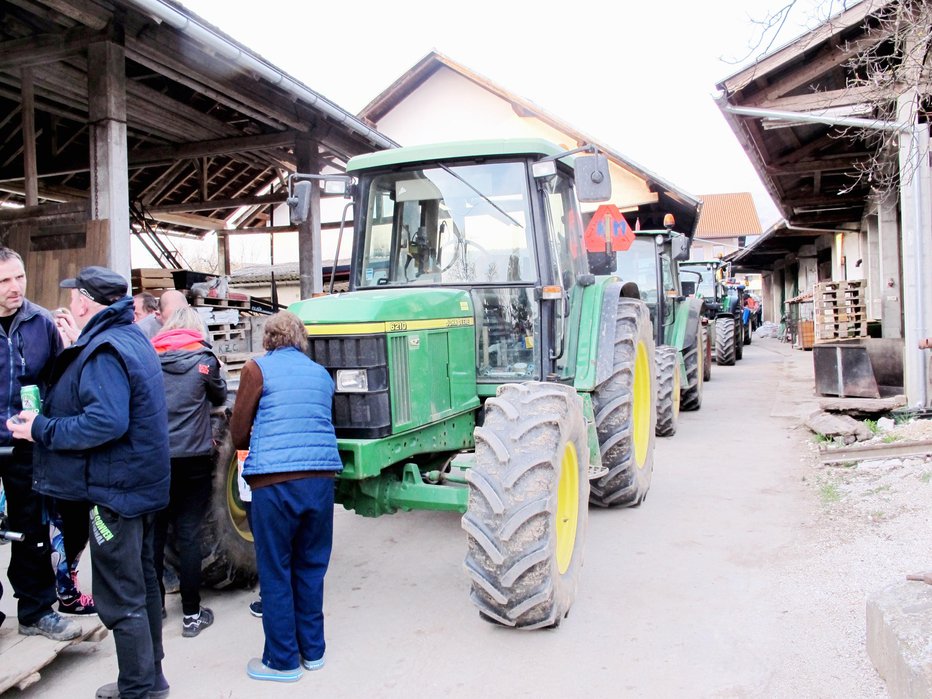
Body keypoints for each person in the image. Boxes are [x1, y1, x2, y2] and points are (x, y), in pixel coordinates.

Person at [7, 265, 171, 699]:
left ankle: (137, 689)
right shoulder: (130, 337)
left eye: (75, 295)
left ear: (84, 302)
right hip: (143, 486)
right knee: (143, 582)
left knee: (120, 594)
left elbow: (106, 421)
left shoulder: (104, 350)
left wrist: (41, 428)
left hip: (116, 492)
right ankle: (151, 678)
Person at [230, 310, 342, 683]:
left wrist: (249, 445)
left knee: (276, 570)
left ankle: (282, 661)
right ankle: (313, 652)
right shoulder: (321, 375)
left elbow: (239, 430)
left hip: (274, 484)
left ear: (267, 339)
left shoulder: (256, 370)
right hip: (320, 480)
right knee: (311, 567)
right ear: (301, 340)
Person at [0, 247, 82, 642]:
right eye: (4, 281)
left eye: (19, 277)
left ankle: (36, 611)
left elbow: (57, 379)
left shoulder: (40, 323)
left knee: (31, 528)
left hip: (27, 443)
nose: (15, 287)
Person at [151, 306, 227, 637]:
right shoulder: (204, 359)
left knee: (154, 533)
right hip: (193, 457)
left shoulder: (149, 358)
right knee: (189, 533)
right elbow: (220, 394)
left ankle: (155, 610)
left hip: (155, 457)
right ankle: (192, 615)